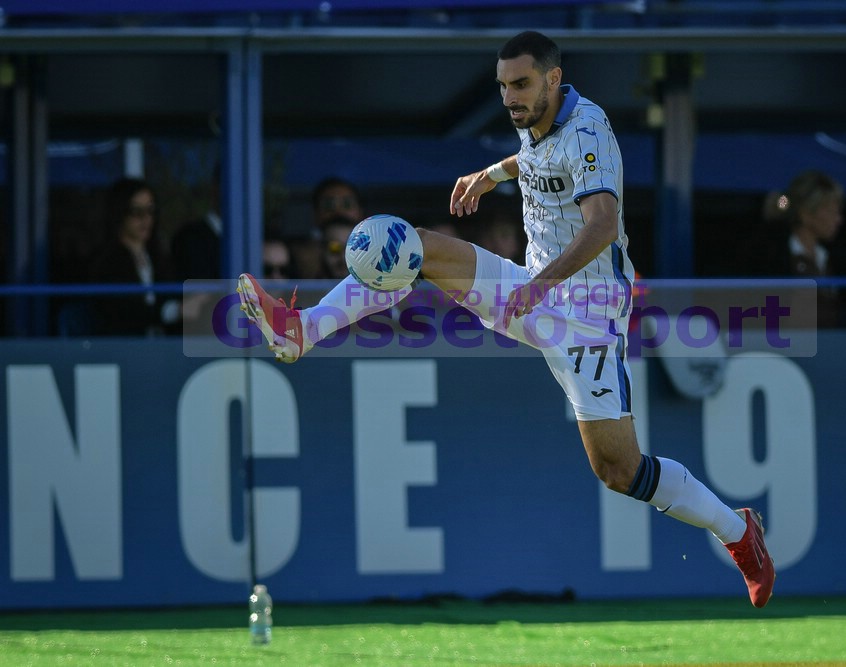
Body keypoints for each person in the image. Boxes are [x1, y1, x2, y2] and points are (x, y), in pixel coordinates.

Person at [236, 31, 774, 608]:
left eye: (521, 84)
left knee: (619, 471)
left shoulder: (588, 130)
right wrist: (491, 174)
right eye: (503, 87)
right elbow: (537, 159)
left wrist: (539, 285)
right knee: (409, 246)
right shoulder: (535, 117)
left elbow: (601, 225)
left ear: (553, 79)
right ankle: (303, 329)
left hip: (587, 316)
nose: (510, 97)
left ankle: (738, 532)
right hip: (531, 289)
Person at [753, 170, 846, 327]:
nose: (839, 220)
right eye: (831, 211)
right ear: (806, 214)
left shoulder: (835, 257)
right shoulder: (773, 257)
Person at [90, 177, 180, 336]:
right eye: (137, 212)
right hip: (125, 345)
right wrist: (173, 311)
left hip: (162, 345)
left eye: (151, 210)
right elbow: (121, 312)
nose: (146, 219)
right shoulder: (106, 262)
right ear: (120, 213)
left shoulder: (158, 256)